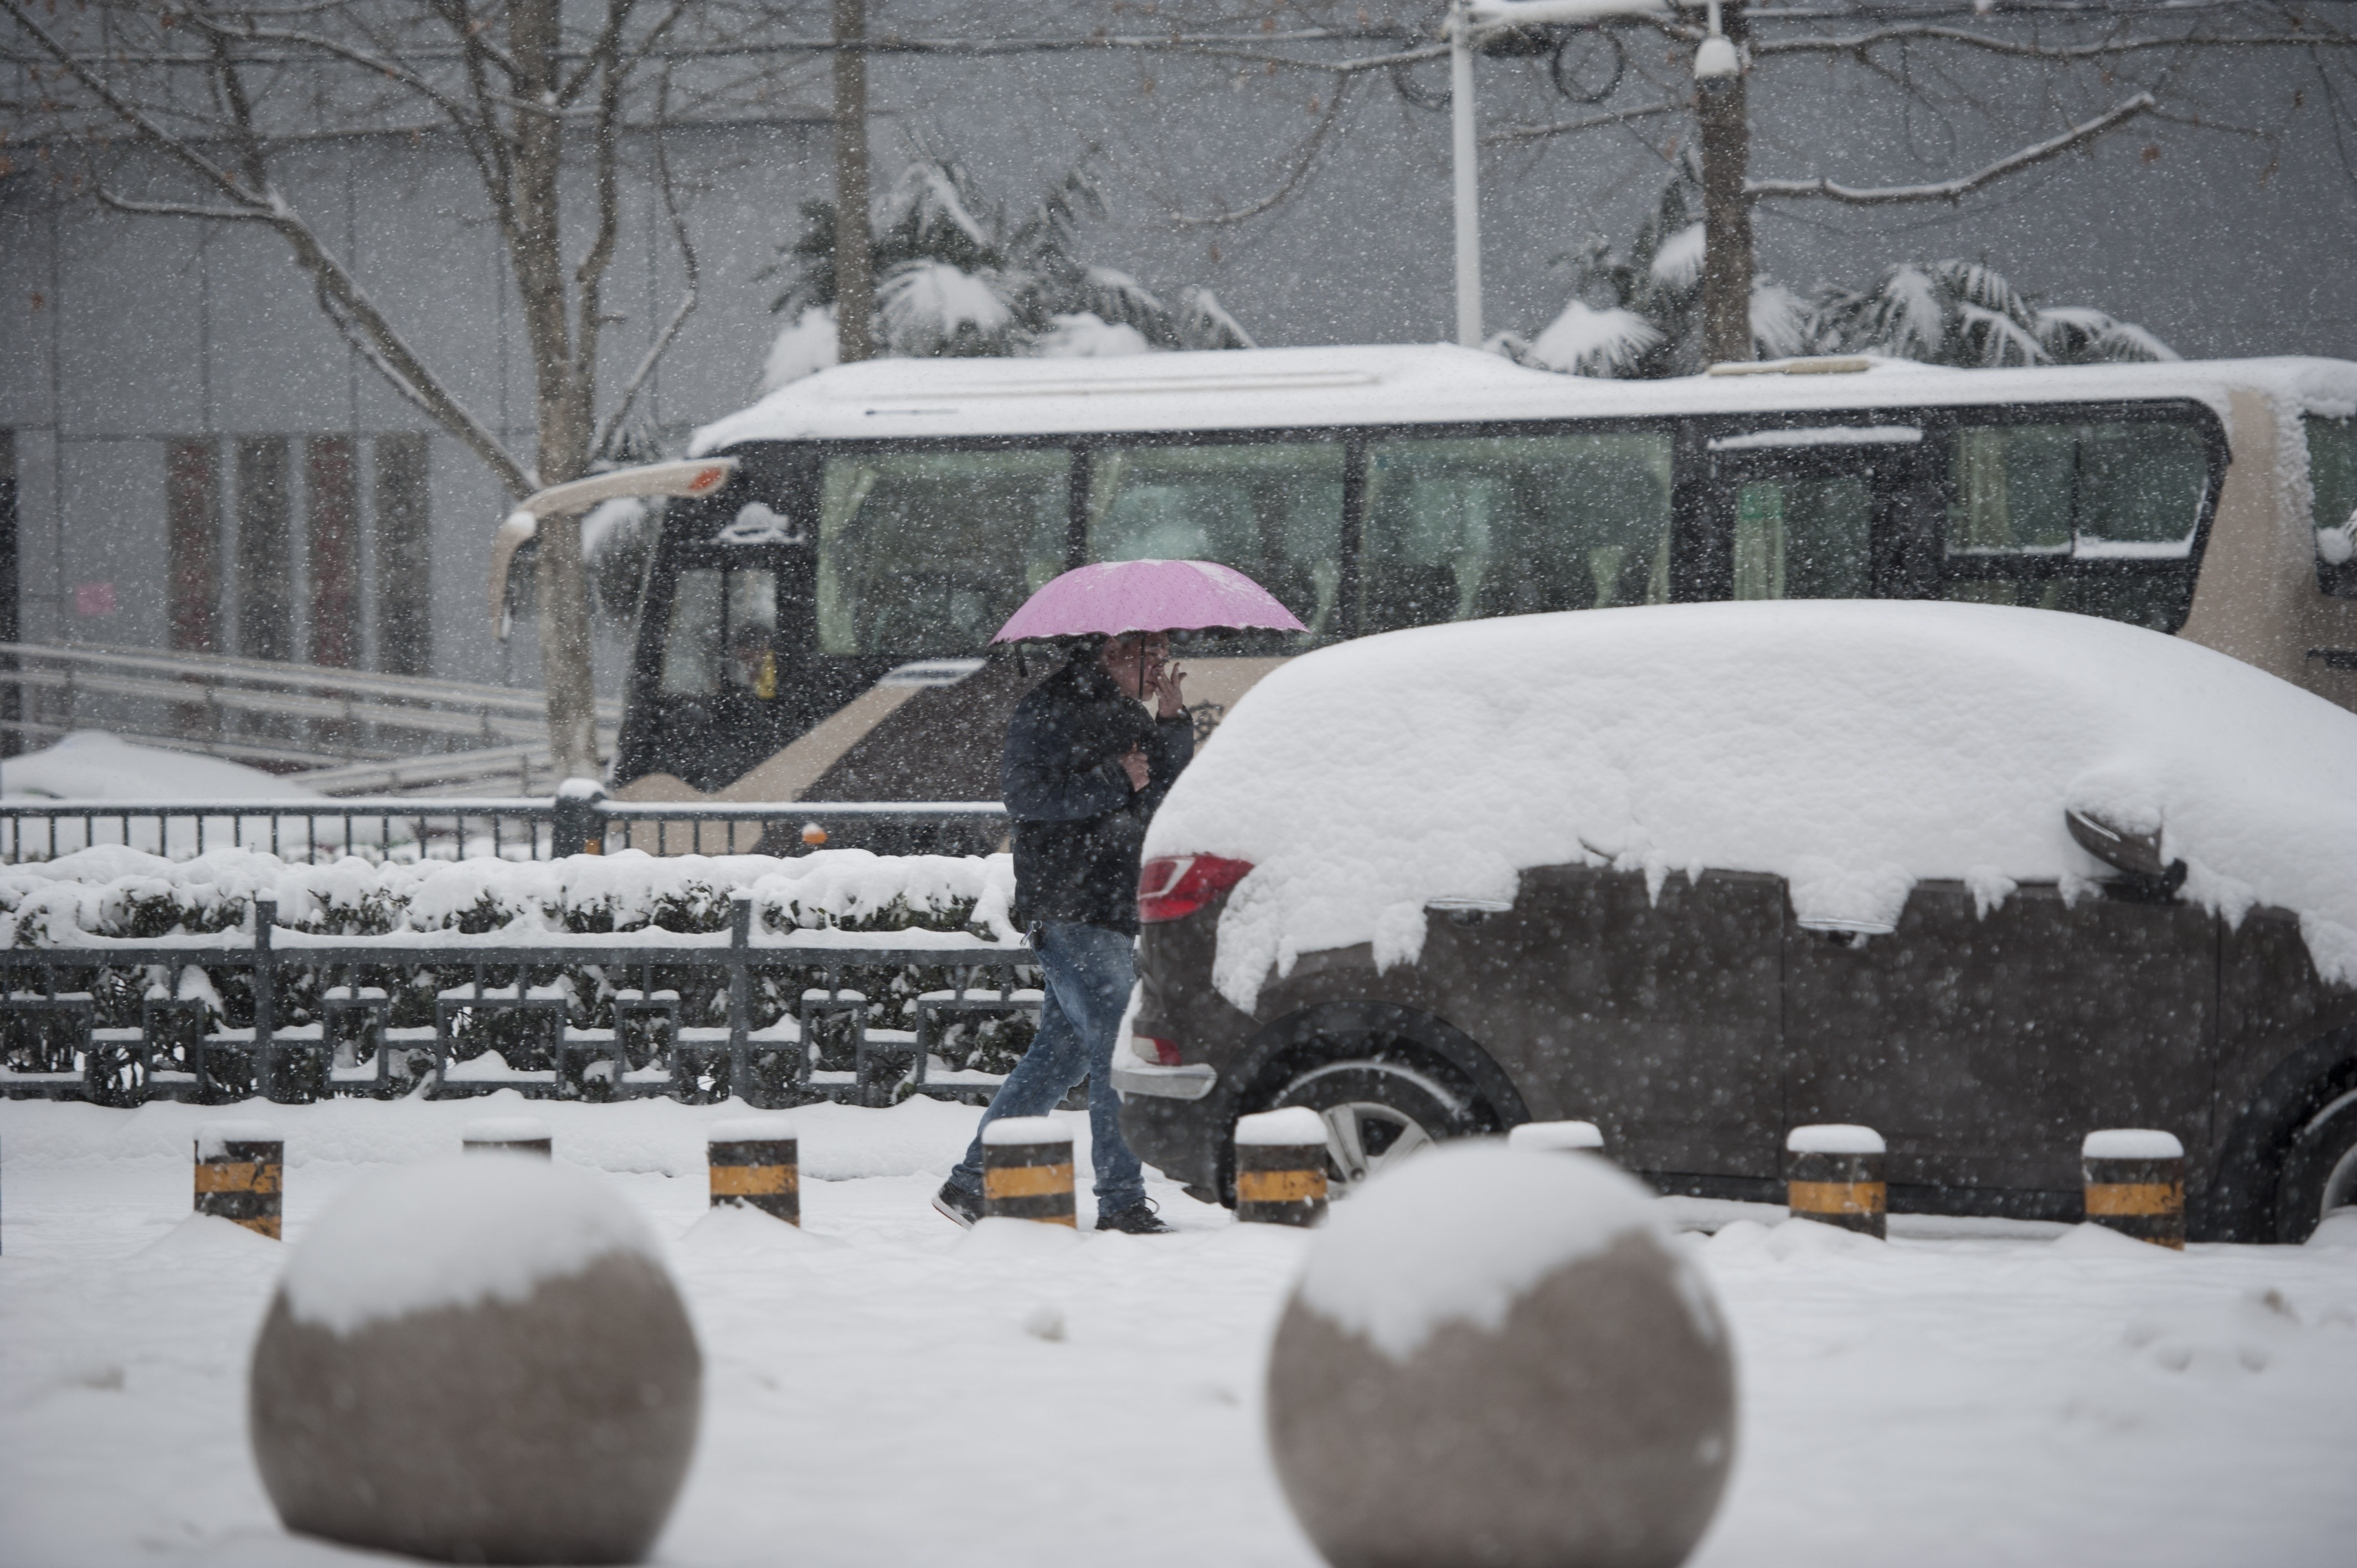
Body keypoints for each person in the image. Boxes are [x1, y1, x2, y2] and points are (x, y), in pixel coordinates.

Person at [933, 629, 1193, 1233]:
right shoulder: (1050, 706)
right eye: (1149, 654)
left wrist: (1172, 723)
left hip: (1104, 902)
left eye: (1160, 655)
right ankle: (1121, 1201)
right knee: (1115, 1049)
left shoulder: (1122, 709)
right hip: (1070, 903)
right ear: (1112, 653)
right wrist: (1113, 779)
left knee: (1058, 1057)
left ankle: (970, 1186)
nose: (1160, 665)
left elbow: (1158, 795)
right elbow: (1026, 797)